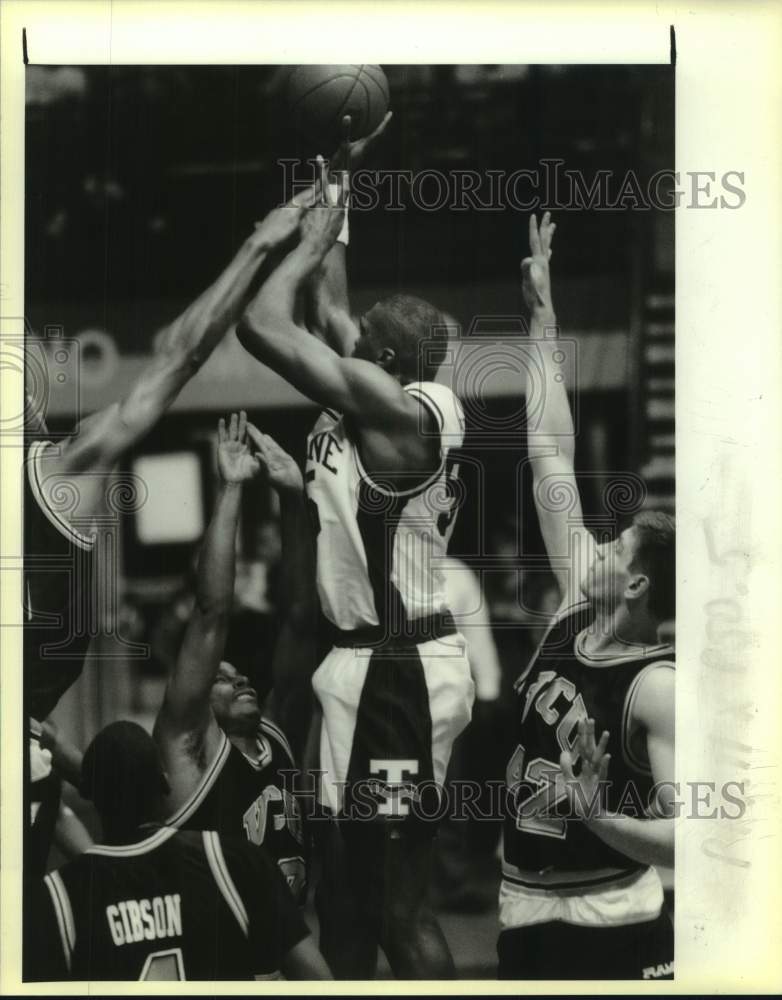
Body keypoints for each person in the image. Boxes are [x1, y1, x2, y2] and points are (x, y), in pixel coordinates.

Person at [236, 151, 473, 980]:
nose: (348, 334)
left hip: (398, 676)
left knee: (398, 906)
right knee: (340, 898)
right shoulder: (382, 391)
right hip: (365, 669)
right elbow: (332, 302)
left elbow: (264, 324)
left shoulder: (412, 416)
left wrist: (288, 245)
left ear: (391, 367)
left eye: (363, 343)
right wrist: (335, 182)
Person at [497, 213, 675, 980]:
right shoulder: (579, 604)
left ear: (635, 583)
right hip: (525, 907)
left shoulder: (656, 687)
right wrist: (545, 321)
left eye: (615, 544)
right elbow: (550, 454)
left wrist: (599, 815)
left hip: (613, 915)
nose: (595, 544)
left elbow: (693, 840)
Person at [153, 413, 317, 903]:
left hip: (284, 951)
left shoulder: (278, 731)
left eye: (238, 672)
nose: (239, 677)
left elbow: (301, 618)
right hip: (223, 965)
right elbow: (211, 614)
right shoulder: (189, 746)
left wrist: (292, 499)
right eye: (220, 678)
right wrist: (231, 490)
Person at [29, 720, 331, 981]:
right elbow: (316, 979)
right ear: (164, 780)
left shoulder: (58, 896)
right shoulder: (235, 862)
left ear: (91, 797)